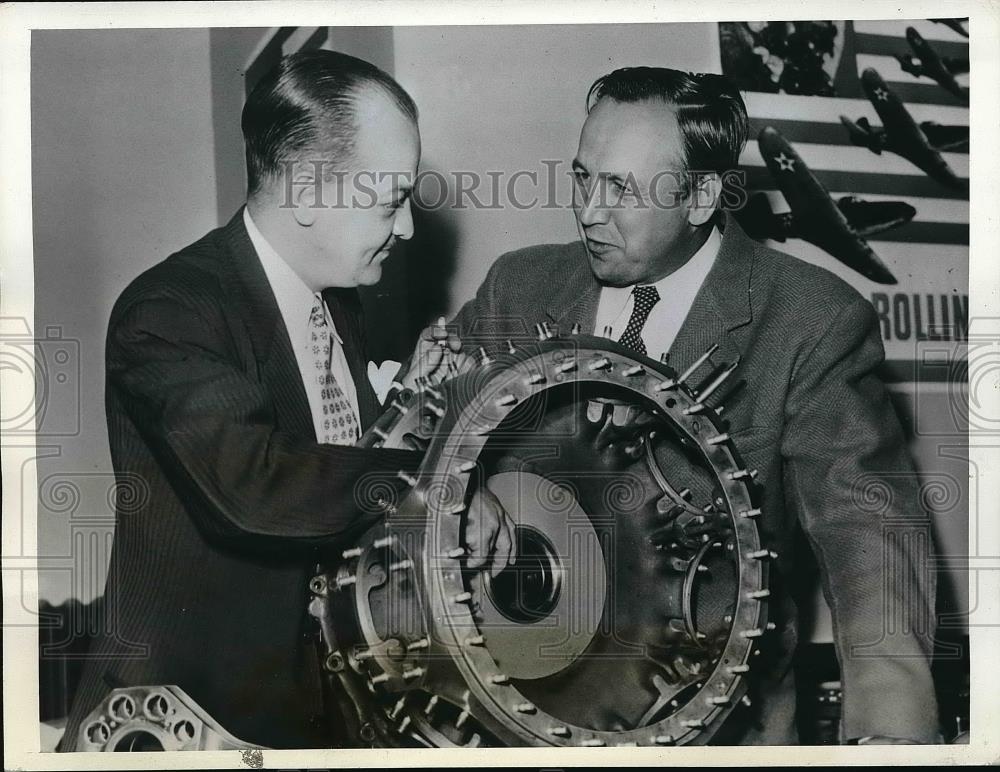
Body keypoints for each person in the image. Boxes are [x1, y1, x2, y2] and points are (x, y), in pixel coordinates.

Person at [432, 67, 938, 744]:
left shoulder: (809, 320)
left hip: (715, 727)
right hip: (518, 712)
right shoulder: (517, 287)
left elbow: (865, 525)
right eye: (583, 176)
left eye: (621, 188)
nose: (588, 209)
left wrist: (891, 723)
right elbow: (426, 432)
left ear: (701, 197)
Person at [59, 50, 511, 752]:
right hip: (181, 724)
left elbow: (342, 492)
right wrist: (430, 490)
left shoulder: (343, 309)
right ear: (306, 189)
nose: (408, 229)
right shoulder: (169, 310)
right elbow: (256, 485)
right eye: (390, 199)